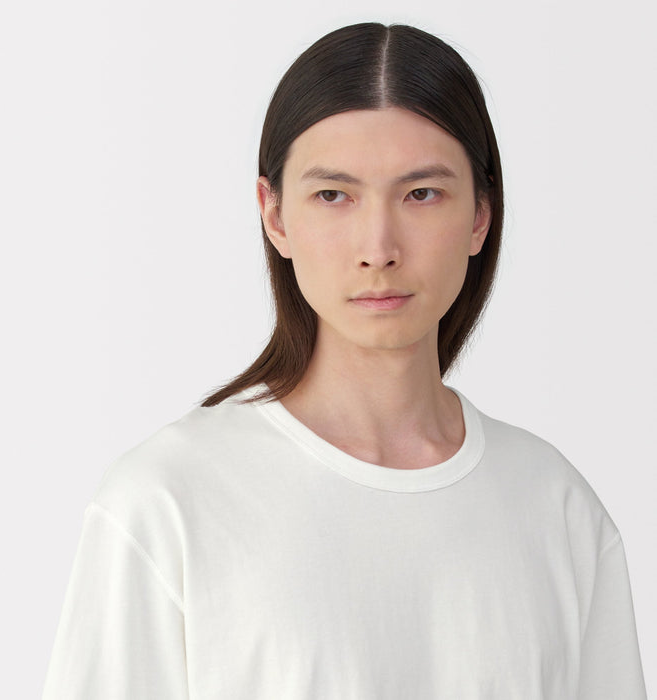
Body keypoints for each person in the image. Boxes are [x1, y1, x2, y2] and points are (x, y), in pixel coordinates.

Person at [42, 22, 647, 699]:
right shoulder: (168, 500)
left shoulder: (555, 507)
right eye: (334, 195)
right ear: (275, 216)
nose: (378, 248)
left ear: (481, 214)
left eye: (421, 194)